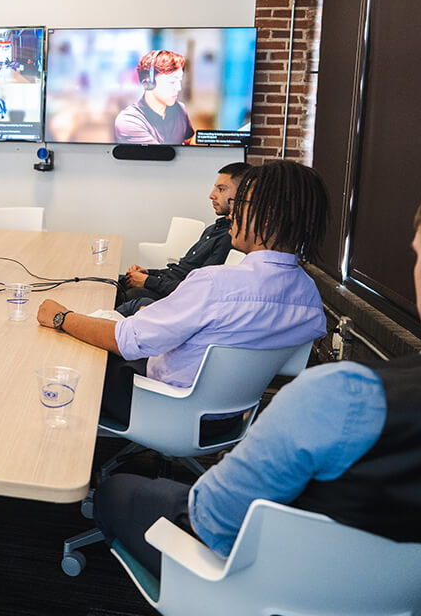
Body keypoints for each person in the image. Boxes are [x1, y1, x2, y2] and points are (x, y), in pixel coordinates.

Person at [94, 168, 421, 616]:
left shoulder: (345, 397)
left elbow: (211, 521)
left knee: (113, 492)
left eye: (416, 254)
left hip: (259, 603)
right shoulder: (308, 310)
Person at [36, 160, 328, 433]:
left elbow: (125, 341)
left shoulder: (215, 284)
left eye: (241, 203)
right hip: (231, 421)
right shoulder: (310, 298)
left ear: (268, 217)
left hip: (160, 408)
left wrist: (62, 317)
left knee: (64, 353)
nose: (234, 212)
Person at [116, 162, 251, 316]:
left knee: (128, 294)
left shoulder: (230, 239)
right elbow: (183, 270)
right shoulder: (214, 228)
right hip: (171, 287)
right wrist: (148, 273)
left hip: (180, 299)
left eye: (221, 189)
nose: (211, 195)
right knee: (119, 284)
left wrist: (147, 281)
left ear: (243, 194)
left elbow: (199, 290)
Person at [113, 49, 195, 145]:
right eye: (172, 82)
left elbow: (190, 141)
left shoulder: (180, 109)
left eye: (179, 81)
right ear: (149, 83)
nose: (179, 88)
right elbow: (162, 156)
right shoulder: (128, 121)